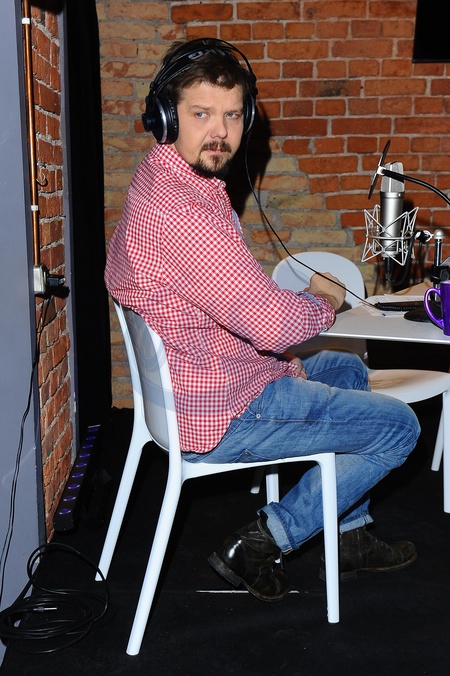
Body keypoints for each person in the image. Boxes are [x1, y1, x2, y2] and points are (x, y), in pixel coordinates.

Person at [105, 38, 421, 601]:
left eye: (232, 115)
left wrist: (284, 305)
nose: (220, 132)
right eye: (201, 114)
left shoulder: (162, 179)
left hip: (204, 379)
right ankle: (263, 539)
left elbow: (236, 298)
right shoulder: (184, 211)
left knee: (346, 369)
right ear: (165, 117)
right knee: (399, 427)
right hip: (224, 409)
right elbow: (273, 328)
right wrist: (326, 301)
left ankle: (347, 533)